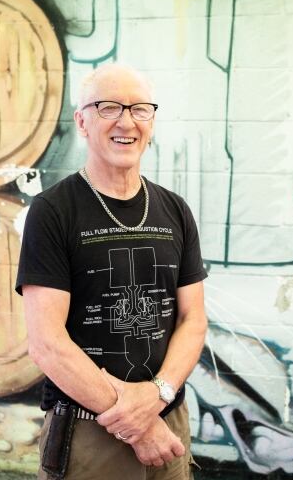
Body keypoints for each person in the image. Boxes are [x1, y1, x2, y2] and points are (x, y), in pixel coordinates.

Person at [16, 63, 207, 480]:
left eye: (139, 109)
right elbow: (47, 343)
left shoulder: (175, 210)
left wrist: (157, 397)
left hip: (168, 420)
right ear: (81, 121)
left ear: (152, 122)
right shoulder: (52, 212)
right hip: (89, 430)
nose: (126, 121)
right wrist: (134, 421)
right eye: (108, 107)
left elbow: (193, 319)